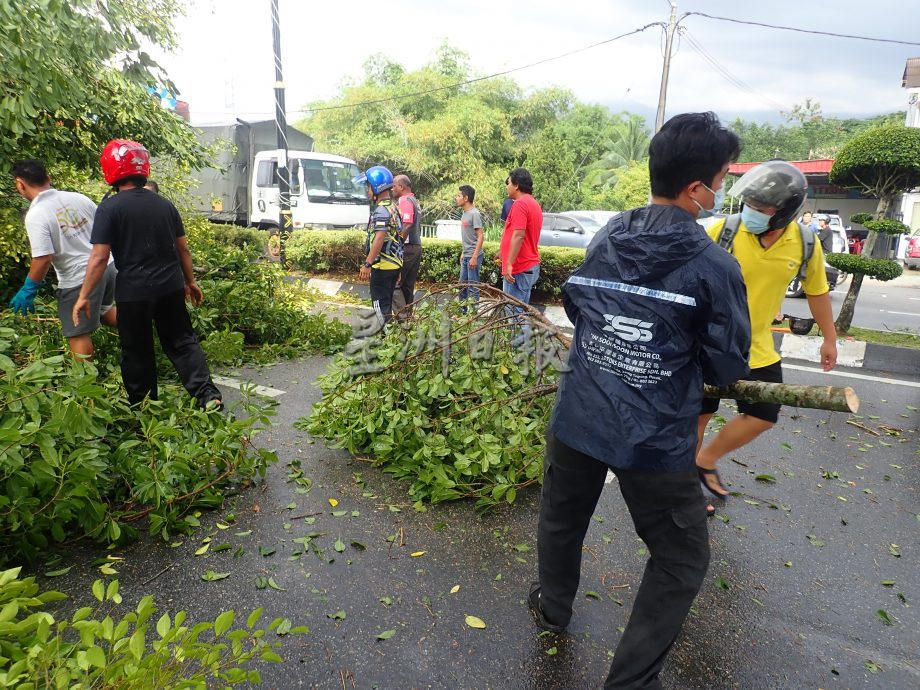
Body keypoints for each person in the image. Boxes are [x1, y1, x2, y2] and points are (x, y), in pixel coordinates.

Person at [530, 112, 750, 690]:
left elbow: (580, 309)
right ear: (697, 188)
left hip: (579, 410)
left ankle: (553, 606)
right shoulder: (714, 266)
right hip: (652, 437)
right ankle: (630, 682)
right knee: (681, 558)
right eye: (723, 177)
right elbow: (729, 364)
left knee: (561, 516)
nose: (724, 189)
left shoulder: (609, 235)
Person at [696, 161, 838, 505]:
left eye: (761, 209)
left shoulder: (804, 243)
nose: (751, 214)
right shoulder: (722, 232)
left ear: (783, 213)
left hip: (758, 347)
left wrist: (830, 339)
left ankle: (704, 460)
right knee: (697, 418)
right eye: (749, 206)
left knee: (763, 415)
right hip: (706, 346)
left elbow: (817, 291)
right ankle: (685, 488)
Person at [73, 139, 222, 408]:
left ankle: (144, 409)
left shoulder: (110, 208)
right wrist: (190, 282)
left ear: (111, 169)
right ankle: (208, 396)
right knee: (182, 342)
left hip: (134, 292)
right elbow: (183, 250)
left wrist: (84, 296)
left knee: (137, 351)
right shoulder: (164, 204)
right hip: (170, 287)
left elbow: (98, 258)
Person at [10, 159, 117, 358]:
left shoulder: (36, 214)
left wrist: (28, 288)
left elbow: (43, 258)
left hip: (79, 278)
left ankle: (85, 384)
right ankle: (145, 326)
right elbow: (106, 228)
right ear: (48, 178)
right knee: (104, 310)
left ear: (20, 184)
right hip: (107, 266)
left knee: (77, 332)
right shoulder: (77, 198)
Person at [353, 165, 403, 327]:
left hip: (381, 267)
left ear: (376, 187)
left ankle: (387, 338)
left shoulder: (381, 211)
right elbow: (399, 238)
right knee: (387, 304)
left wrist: (367, 264)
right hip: (394, 265)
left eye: (368, 187)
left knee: (379, 307)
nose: (367, 191)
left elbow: (379, 238)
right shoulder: (394, 208)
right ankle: (391, 340)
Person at [500, 168, 542, 342]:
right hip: (527, 266)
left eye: (508, 183)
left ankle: (517, 355)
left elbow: (519, 234)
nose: (507, 187)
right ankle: (518, 351)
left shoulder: (520, 204)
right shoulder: (533, 203)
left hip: (519, 268)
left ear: (516, 185)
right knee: (518, 312)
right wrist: (502, 251)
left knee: (515, 314)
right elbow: (517, 235)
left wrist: (509, 263)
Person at [391, 174, 421, 319]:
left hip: (407, 248)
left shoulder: (404, 200)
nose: (392, 189)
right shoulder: (414, 199)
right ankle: (408, 317)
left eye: (394, 186)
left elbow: (407, 224)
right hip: (415, 247)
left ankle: (403, 319)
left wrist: (397, 243)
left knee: (394, 282)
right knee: (407, 285)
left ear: (401, 187)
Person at [456, 184, 484, 307]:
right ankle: (462, 313)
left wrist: (474, 256)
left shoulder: (474, 213)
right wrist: (463, 252)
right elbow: (468, 236)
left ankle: (472, 316)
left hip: (473, 256)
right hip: (466, 255)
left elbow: (480, 235)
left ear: (466, 198)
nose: (456, 198)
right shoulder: (464, 213)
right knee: (462, 286)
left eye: (458, 195)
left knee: (473, 287)